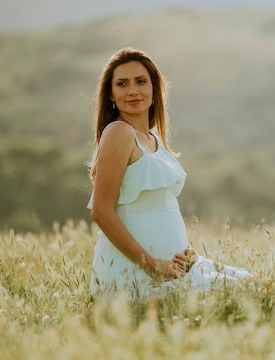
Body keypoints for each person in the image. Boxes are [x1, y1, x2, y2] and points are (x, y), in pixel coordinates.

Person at [87, 47, 251, 300]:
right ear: (111, 94)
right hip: (137, 275)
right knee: (242, 292)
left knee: (248, 283)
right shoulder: (119, 133)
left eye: (141, 82)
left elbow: (159, 208)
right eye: (122, 84)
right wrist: (152, 265)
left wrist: (185, 252)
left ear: (154, 89)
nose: (132, 90)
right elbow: (101, 211)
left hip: (171, 268)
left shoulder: (152, 138)